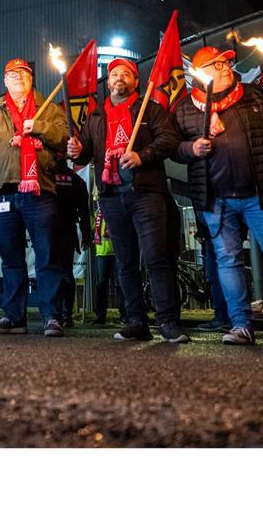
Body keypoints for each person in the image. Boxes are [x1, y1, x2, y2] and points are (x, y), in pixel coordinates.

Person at [174, 46, 263, 349]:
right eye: (216, 64)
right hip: (216, 199)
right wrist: (192, 149)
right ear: (201, 74)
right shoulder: (186, 108)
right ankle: (241, 324)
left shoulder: (252, 95)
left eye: (226, 62)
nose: (226, 67)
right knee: (228, 261)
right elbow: (173, 147)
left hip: (259, 194)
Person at [67, 57, 187, 343]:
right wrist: (75, 149)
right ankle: (136, 321)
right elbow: (84, 156)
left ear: (135, 81)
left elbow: (169, 140)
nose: (119, 78)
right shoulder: (95, 116)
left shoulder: (150, 108)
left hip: (146, 193)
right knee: (125, 261)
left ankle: (168, 321)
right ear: (107, 82)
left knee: (156, 257)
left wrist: (141, 155)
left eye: (126, 74)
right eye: (114, 74)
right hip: (110, 196)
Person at [0, 57, 69, 337]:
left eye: (23, 73)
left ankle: (52, 316)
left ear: (31, 79)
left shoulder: (47, 106)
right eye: (11, 74)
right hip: (4, 192)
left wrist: (38, 126)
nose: (17, 77)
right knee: (11, 258)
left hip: (39, 189)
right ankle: (14, 317)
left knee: (47, 255)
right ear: (4, 80)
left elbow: (64, 138)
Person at [52, 156, 91, 328]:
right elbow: (84, 211)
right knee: (66, 273)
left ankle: (55, 314)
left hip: (49, 231)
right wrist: (86, 235)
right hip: (67, 232)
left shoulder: (45, 176)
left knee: (53, 273)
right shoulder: (76, 180)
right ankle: (66, 315)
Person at [89, 210, 125, 325]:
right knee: (102, 285)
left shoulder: (115, 208)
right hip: (103, 252)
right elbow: (91, 225)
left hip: (117, 252)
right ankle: (101, 316)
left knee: (121, 285)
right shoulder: (98, 213)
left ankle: (125, 315)